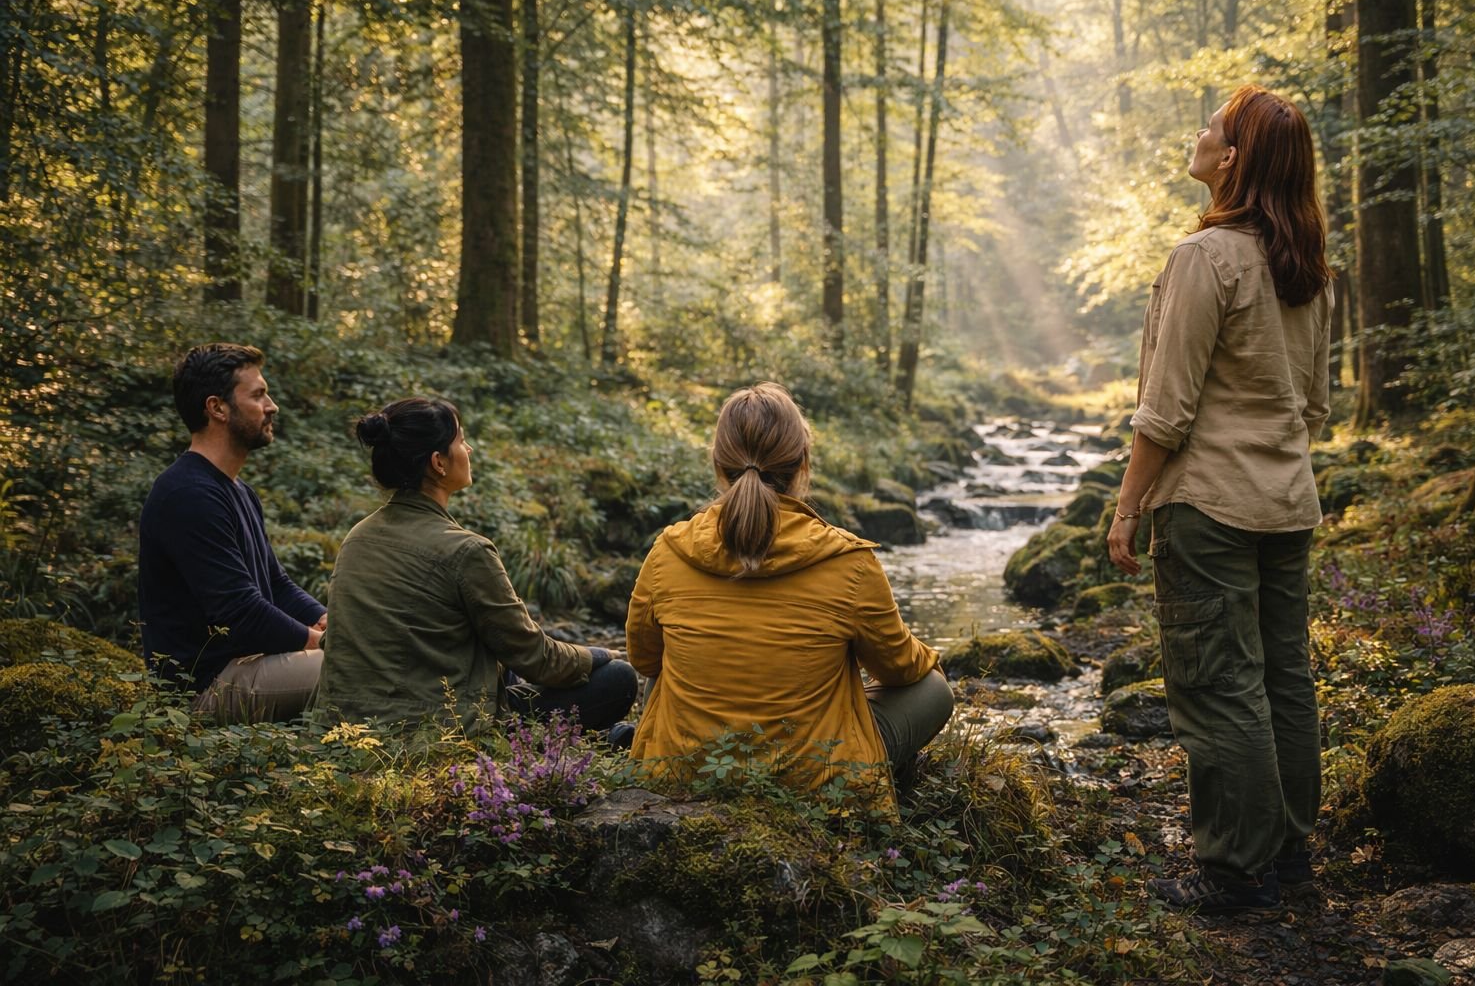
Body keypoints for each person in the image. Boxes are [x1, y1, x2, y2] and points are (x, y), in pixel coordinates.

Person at [1106, 85, 1333, 913]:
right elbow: (1313, 406)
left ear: (1231, 159)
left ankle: (1237, 869)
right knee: (1284, 675)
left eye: (1211, 128)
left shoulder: (1204, 258)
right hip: (1287, 500)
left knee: (1215, 681)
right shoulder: (1305, 268)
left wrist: (1129, 505)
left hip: (1206, 505)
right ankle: (1291, 854)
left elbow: (1165, 410)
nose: (1197, 135)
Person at [625, 382, 954, 809]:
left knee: (665, 664)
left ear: (718, 465)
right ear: (803, 463)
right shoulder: (848, 561)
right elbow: (900, 669)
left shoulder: (668, 551)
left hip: (686, 769)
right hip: (812, 779)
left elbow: (644, 659)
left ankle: (668, 765)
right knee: (935, 690)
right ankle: (858, 769)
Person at [313, 397, 637, 737]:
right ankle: (550, 746)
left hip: (343, 728)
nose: (469, 449)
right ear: (438, 462)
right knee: (617, 679)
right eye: (461, 440)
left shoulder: (357, 537)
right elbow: (536, 658)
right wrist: (600, 653)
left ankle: (591, 740)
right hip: (438, 729)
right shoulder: (466, 550)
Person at [139, 343, 327, 722]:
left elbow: (277, 585)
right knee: (359, 668)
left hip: (249, 665)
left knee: (370, 655)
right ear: (217, 408)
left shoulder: (238, 490)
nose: (271, 405)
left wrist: (328, 619)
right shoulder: (187, 494)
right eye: (258, 395)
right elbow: (240, 613)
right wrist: (323, 643)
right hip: (207, 686)